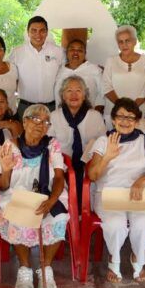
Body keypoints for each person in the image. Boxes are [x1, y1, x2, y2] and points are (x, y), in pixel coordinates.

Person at [0, 105, 69, 288]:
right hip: (17, 195)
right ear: (24, 122)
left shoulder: (52, 145)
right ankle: (24, 268)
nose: (40, 125)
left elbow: (59, 177)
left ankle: (45, 268)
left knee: (58, 217)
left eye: (45, 122)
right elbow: (2, 186)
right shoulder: (10, 146)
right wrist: (7, 169)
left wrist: (51, 200)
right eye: (35, 119)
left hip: (47, 193)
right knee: (17, 217)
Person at [87, 98, 145, 282]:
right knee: (115, 224)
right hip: (108, 193)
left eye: (130, 118)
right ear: (113, 120)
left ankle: (137, 256)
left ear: (137, 122)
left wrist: (142, 180)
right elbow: (92, 175)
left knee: (144, 224)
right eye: (121, 117)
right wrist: (107, 157)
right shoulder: (103, 140)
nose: (125, 121)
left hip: (138, 193)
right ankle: (114, 259)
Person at [47, 76, 106, 205]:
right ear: (63, 95)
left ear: (84, 95)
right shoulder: (54, 116)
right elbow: (49, 145)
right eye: (69, 91)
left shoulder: (95, 116)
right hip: (60, 168)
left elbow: (103, 144)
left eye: (78, 90)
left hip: (88, 167)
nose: (74, 95)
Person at [8, 16, 64, 116]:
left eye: (42, 30)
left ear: (47, 32)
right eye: (34, 30)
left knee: (50, 132)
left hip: (51, 108)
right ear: (28, 32)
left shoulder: (58, 52)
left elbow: (67, 73)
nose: (38, 34)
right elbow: (7, 75)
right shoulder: (17, 52)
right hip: (25, 107)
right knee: (25, 132)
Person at [102, 25, 145, 123]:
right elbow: (106, 86)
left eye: (127, 40)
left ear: (134, 41)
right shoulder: (111, 61)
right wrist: (122, 107)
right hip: (114, 112)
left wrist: (132, 108)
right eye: (120, 42)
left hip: (139, 111)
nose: (124, 44)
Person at [53, 38, 105, 113]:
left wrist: (96, 113)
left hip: (88, 116)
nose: (75, 53)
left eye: (80, 50)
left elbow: (103, 93)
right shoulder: (59, 70)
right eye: (72, 49)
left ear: (85, 54)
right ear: (67, 53)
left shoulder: (94, 69)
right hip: (61, 116)